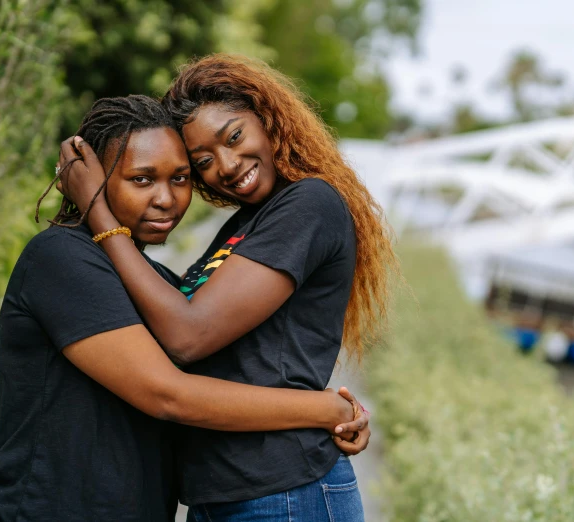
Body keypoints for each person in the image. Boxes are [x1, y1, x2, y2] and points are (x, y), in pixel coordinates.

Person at [0, 95, 369, 522]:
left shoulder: (156, 284)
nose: (166, 198)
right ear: (93, 182)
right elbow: (168, 394)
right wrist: (326, 409)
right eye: (142, 179)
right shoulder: (61, 258)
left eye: (180, 178)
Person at [58, 55, 396, 522]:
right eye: (203, 161)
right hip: (226, 497)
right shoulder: (245, 225)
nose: (229, 165)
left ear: (267, 117)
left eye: (234, 136)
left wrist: (98, 213)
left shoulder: (308, 203)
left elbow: (188, 335)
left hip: (285, 494)